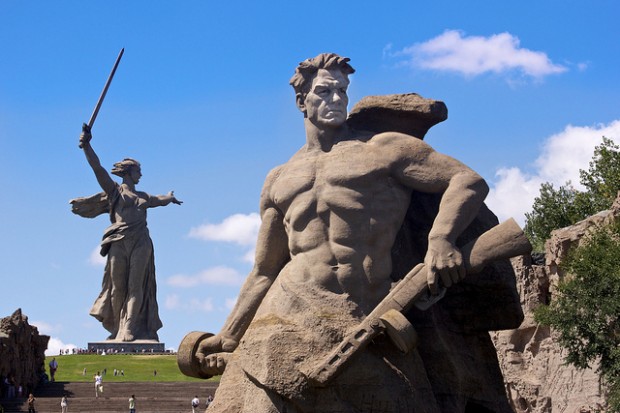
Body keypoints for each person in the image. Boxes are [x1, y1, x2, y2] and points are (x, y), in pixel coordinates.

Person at [192, 53, 500, 413]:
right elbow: (264, 270)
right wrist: (229, 334)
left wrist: (441, 239)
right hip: (285, 315)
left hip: (364, 316)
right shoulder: (279, 178)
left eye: (342, 91)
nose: (336, 99)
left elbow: (466, 180)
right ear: (301, 101)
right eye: (324, 91)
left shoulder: (383, 149)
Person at [74, 125, 182, 341]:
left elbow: (159, 200)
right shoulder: (115, 192)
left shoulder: (143, 196)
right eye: (138, 170)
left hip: (141, 242)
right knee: (116, 288)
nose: (141, 174)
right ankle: (116, 328)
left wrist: (169, 197)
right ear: (128, 172)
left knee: (136, 286)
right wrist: (87, 146)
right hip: (118, 241)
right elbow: (98, 169)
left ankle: (130, 328)